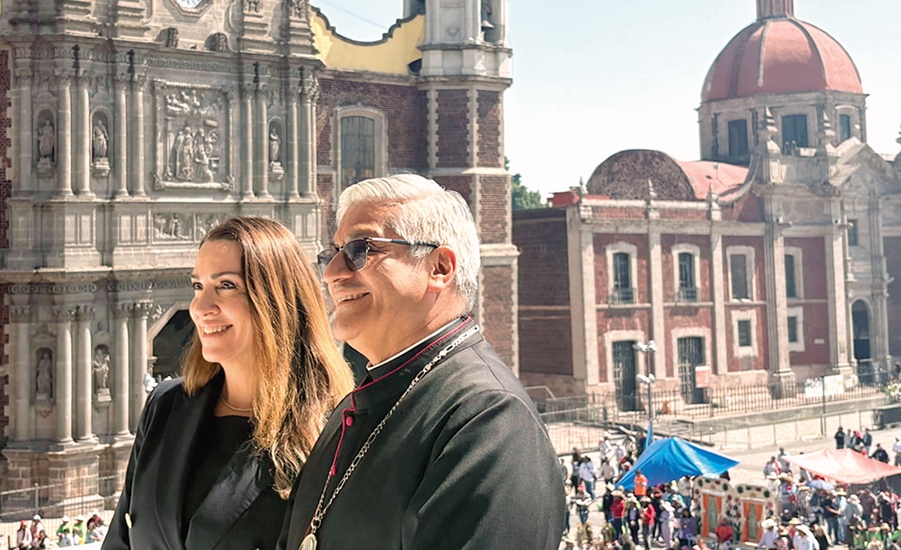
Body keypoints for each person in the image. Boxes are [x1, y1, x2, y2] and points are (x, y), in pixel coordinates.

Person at [278, 174, 565, 548]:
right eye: (331, 254)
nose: (332, 273)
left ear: (440, 268)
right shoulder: (357, 402)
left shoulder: (490, 421)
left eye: (359, 249)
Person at [103, 217, 354, 550]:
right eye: (198, 286)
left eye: (226, 285)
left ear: (277, 301)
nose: (200, 308)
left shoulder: (333, 433)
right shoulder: (164, 406)